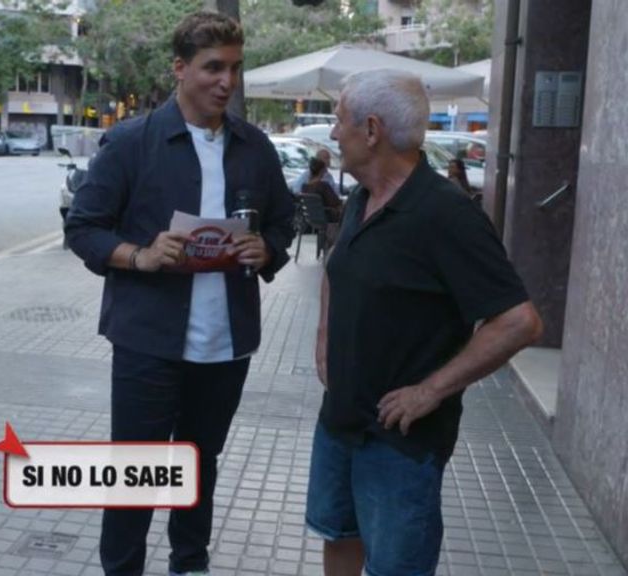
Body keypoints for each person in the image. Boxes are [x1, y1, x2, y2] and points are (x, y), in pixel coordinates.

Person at [65, 11, 294, 576]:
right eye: (213, 68)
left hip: (225, 344)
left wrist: (266, 250)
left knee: (199, 464)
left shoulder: (254, 148)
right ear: (180, 69)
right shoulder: (131, 143)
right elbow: (84, 228)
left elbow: (285, 224)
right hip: (149, 342)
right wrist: (140, 255)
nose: (227, 81)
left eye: (235, 69)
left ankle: (189, 564)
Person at [306, 69, 543, 576]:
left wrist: (430, 390)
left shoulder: (446, 213)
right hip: (340, 419)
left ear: (371, 130)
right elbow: (337, 268)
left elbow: (519, 322)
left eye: (339, 120)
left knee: (395, 567)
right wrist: (325, 334)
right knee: (339, 535)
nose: (332, 133)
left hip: (398, 439)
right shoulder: (361, 199)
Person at [301, 157, 343, 223]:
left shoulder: (304, 187)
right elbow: (335, 203)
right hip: (327, 216)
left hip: (312, 217)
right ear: (322, 171)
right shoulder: (323, 186)